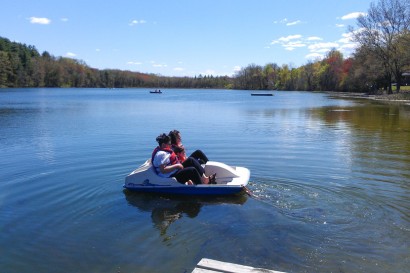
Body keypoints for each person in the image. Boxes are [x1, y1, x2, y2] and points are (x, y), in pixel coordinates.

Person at [151, 133, 216, 185]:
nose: (170, 146)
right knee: (192, 170)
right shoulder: (161, 154)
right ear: (163, 145)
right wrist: (177, 166)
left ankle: (205, 179)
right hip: (171, 175)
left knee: (191, 160)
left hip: (175, 170)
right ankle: (202, 187)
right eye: (169, 144)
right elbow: (163, 170)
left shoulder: (164, 151)